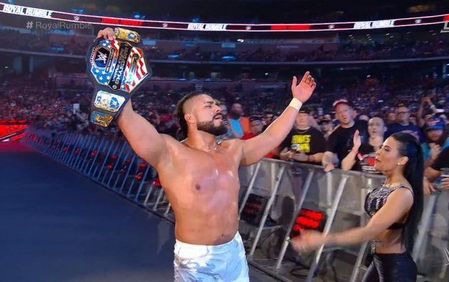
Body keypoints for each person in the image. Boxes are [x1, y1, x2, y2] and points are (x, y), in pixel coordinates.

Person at [97, 28, 317, 282]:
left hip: (234, 252)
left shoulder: (232, 150)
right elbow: (128, 117)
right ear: (189, 118)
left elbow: (269, 137)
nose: (217, 108)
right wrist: (113, 62)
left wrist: (296, 102)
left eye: (216, 104)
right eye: (208, 105)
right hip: (196, 260)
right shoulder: (170, 152)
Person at [292, 132, 424, 282]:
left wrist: (323, 239)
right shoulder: (388, 183)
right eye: (381, 147)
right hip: (378, 261)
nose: (378, 152)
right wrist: (355, 150)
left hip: (396, 270)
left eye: (386, 149)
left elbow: (369, 231)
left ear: (402, 160)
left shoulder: (402, 193)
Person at [322, 99, 368, 172]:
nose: (343, 114)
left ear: (351, 111)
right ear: (336, 116)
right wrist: (327, 163)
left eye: (345, 110)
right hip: (347, 173)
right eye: (340, 112)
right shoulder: (334, 135)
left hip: (369, 171)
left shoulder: (364, 125)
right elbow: (327, 154)